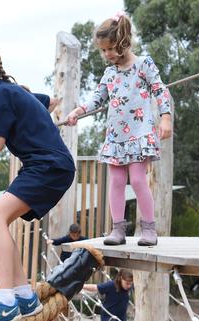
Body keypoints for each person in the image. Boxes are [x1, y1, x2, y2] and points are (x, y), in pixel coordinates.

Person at [0, 49, 75, 321]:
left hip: (46, 166)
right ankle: (24, 296)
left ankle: (5, 301)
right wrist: (47, 107)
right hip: (51, 166)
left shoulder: (1, 95)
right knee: (0, 222)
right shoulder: (14, 92)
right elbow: (47, 102)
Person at [66, 11, 172, 246]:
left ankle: (148, 229)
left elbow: (160, 90)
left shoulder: (144, 64)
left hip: (139, 133)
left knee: (137, 180)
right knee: (114, 182)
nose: (107, 54)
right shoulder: (110, 73)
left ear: (123, 42)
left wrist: (165, 118)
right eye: (103, 50)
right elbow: (98, 98)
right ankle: (117, 229)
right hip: (116, 136)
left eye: (110, 49)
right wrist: (78, 111)